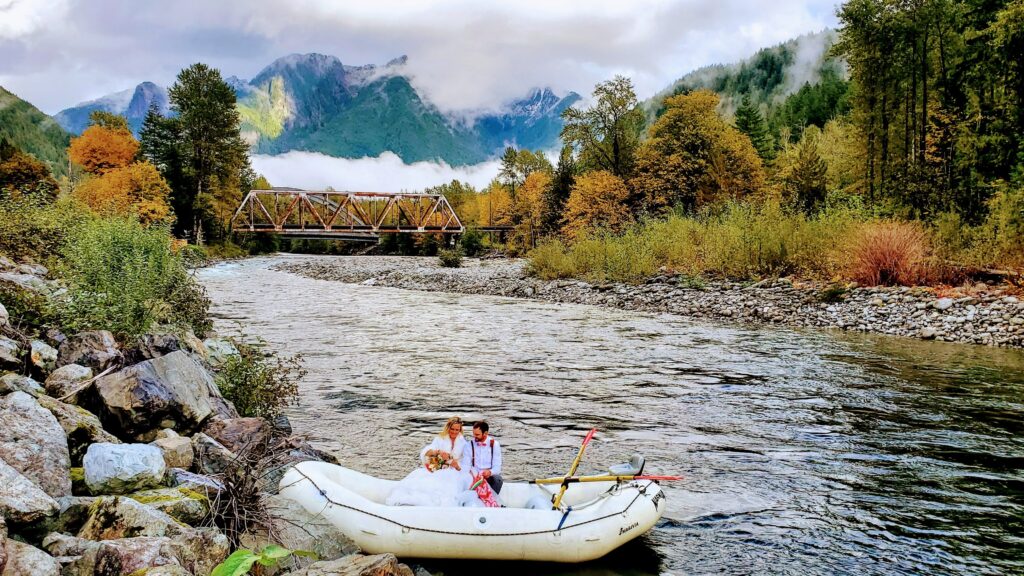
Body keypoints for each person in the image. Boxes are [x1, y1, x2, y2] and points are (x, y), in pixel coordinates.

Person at [385, 416, 473, 507]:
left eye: (457, 430)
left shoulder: (464, 443)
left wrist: (456, 465)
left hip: (454, 471)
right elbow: (427, 451)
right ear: (448, 427)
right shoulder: (440, 439)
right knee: (425, 482)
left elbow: (466, 461)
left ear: (460, 430)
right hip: (439, 468)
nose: (454, 432)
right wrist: (438, 452)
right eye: (452, 429)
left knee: (449, 488)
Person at [464, 420, 503, 494]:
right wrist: (471, 475)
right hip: (474, 476)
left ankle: (492, 500)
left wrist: (490, 472)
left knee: (498, 479)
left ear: (485, 433)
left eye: (477, 434)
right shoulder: (469, 445)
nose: (474, 437)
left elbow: (497, 467)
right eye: (474, 434)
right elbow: (465, 465)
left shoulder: (494, 444)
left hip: (489, 477)